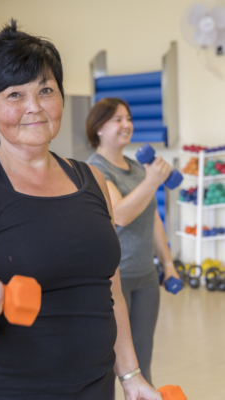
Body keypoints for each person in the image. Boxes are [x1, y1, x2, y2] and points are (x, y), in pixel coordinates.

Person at [0, 21, 162, 400]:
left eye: (45, 90)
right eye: (14, 95)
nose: (35, 107)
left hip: (96, 387)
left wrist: (132, 376)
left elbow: (111, 291)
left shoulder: (92, 179)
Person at [86, 97, 180, 386]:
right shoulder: (94, 169)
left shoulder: (137, 168)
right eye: (117, 119)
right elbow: (121, 215)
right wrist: (153, 180)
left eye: (128, 118)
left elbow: (152, 219)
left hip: (146, 277)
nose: (126, 125)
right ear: (99, 128)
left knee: (142, 359)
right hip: (116, 279)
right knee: (110, 361)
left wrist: (168, 264)